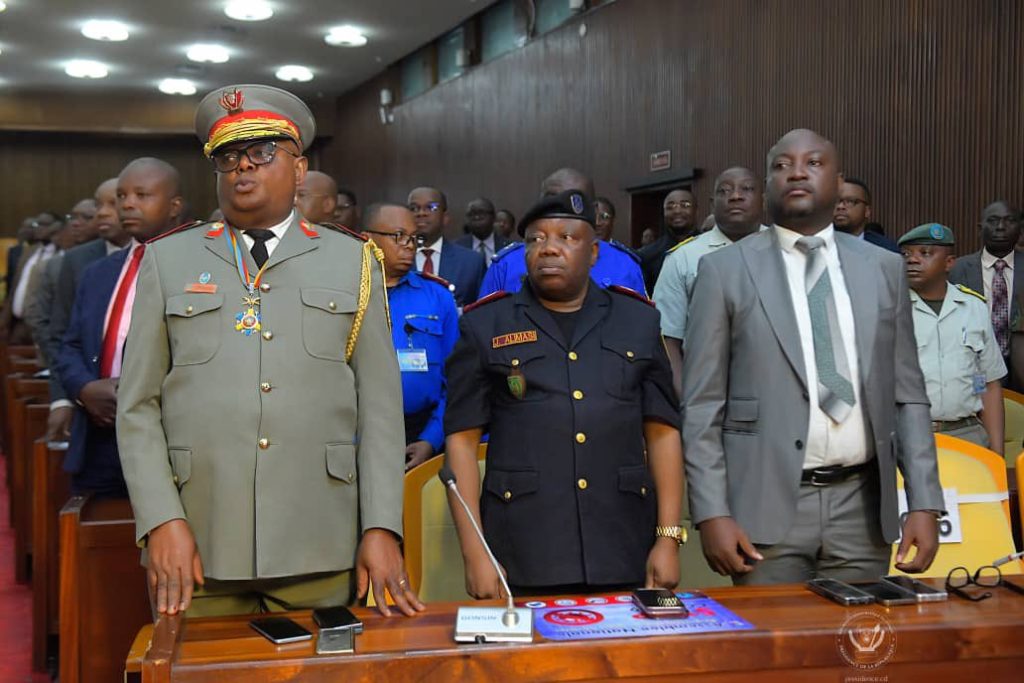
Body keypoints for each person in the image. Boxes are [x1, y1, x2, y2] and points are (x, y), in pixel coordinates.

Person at [116, 84, 422, 619]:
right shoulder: (169, 260)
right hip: (198, 539)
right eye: (229, 157)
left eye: (262, 153)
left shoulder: (352, 260)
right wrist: (161, 519)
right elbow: (137, 404)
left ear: (299, 169)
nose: (243, 168)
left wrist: (381, 526)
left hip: (321, 536)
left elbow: (379, 408)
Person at [683, 128, 943, 585]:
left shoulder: (882, 269)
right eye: (782, 165)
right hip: (763, 511)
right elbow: (702, 403)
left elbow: (908, 394)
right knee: (774, 652)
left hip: (862, 509)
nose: (797, 172)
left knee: (861, 650)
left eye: (813, 163)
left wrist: (924, 501)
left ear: (838, 181)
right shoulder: (724, 271)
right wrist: (711, 513)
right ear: (767, 186)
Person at [444, 189, 684, 597]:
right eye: (536, 239)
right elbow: (462, 443)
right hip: (523, 547)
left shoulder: (638, 322)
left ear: (593, 252)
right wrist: (475, 551)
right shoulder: (486, 325)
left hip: (623, 542)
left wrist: (668, 536)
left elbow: (662, 433)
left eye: (566, 238)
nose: (549, 248)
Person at [56, 158, 185, 498]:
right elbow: (70, 346)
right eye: (121, 196)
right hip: (97, 438)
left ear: (174, 206)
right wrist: (84, 389)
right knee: (95, 544)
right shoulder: (98, 273)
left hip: (167, 443)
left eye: (142, 195)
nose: (127, 204)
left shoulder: (198, 272)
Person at [362, 203, 458, 472]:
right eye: (398, 236)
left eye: (414, 238)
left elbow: (458, 379)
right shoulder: (345, 294)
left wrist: (431, 438)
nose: (409, 245)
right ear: (368, 239)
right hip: (355, 436)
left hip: (420, 432)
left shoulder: (438, 297)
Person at [653, 167, 765, 396]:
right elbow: (667, 338)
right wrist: (687, 398)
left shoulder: (786, 252)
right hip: (708, 391)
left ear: (763, 199)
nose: (735, 196)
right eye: (725, 191)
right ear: (713, 204)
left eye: (747, 189)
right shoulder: (683, 258)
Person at [898, 223, 1005, 452]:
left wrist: (997, 454)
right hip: (908, 436)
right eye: (906, 254)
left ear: (949, 263)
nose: (912, 260)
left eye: (925, 253)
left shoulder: (974, 307)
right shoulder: (889, 309)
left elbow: (989, 384)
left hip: (967, 435)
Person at [45, 179, 130, 442]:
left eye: (112, 204)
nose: (101, 212)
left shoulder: (161, 257)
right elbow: (60, 335)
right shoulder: (78, 260)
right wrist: (64, 398)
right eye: (97, 204)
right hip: (88, 404)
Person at [480, 168, 646, 297]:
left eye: (573, 203)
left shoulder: (625, 265)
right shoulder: (506, 265)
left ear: (594, 211)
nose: (560, 211)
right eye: (551, 201)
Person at [949, 200, 1024, 390]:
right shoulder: (956, 269)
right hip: (973, 369)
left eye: (1009, 221)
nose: (1000, 227)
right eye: (993, 221)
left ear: (1020, 229)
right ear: (979, 228)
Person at [408, 186, 486, 307]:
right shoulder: (392, 259)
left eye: (431, 207)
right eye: (414, 208)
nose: (421, 213)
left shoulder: (472, 263)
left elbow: (482, 313)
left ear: (445, 217)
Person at [637, 189, 697, 292]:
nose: (677, 211)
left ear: (696, 210)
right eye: (670, 207)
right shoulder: (648, 255)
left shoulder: (710, 248)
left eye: (685, 205)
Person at [833, 178, 899, 253]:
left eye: (850, 201)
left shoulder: (886, 250)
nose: (840, 206)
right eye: (835, 201)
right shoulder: (818, 245)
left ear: (867, 211)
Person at [455, 197, 510, 266]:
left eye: (481, 213)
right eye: (472, 214)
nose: (477, 217)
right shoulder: (457, 247)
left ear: (493, 217)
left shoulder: (508, 248)